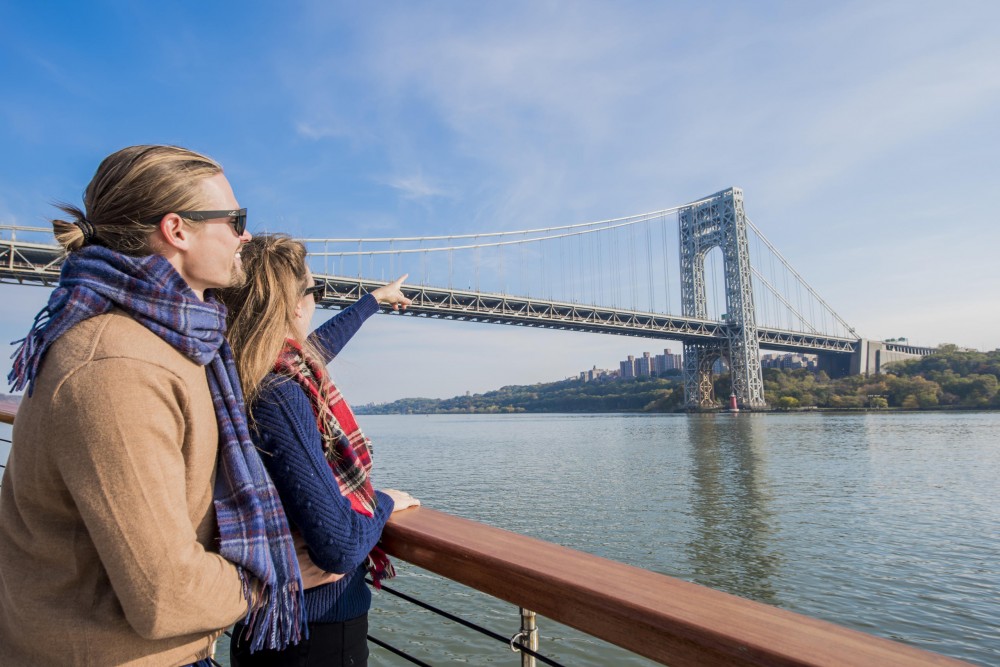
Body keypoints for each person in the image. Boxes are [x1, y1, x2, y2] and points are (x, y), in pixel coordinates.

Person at [0, 145, 305, 666]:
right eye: (235, 220)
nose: (246, 237)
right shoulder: (118, 367)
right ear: (177, 230)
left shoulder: (181, 342)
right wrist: (278, 569)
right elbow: (164, 595)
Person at [217, 234, 420, 667]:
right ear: (295, 306)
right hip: (316, 631)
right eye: (315, 292)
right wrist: (384, 503)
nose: (316, 304)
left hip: (264, 621)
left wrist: (372, 301)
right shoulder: (280, 394)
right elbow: (341, 547)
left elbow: (315, 348)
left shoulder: (238, 371)